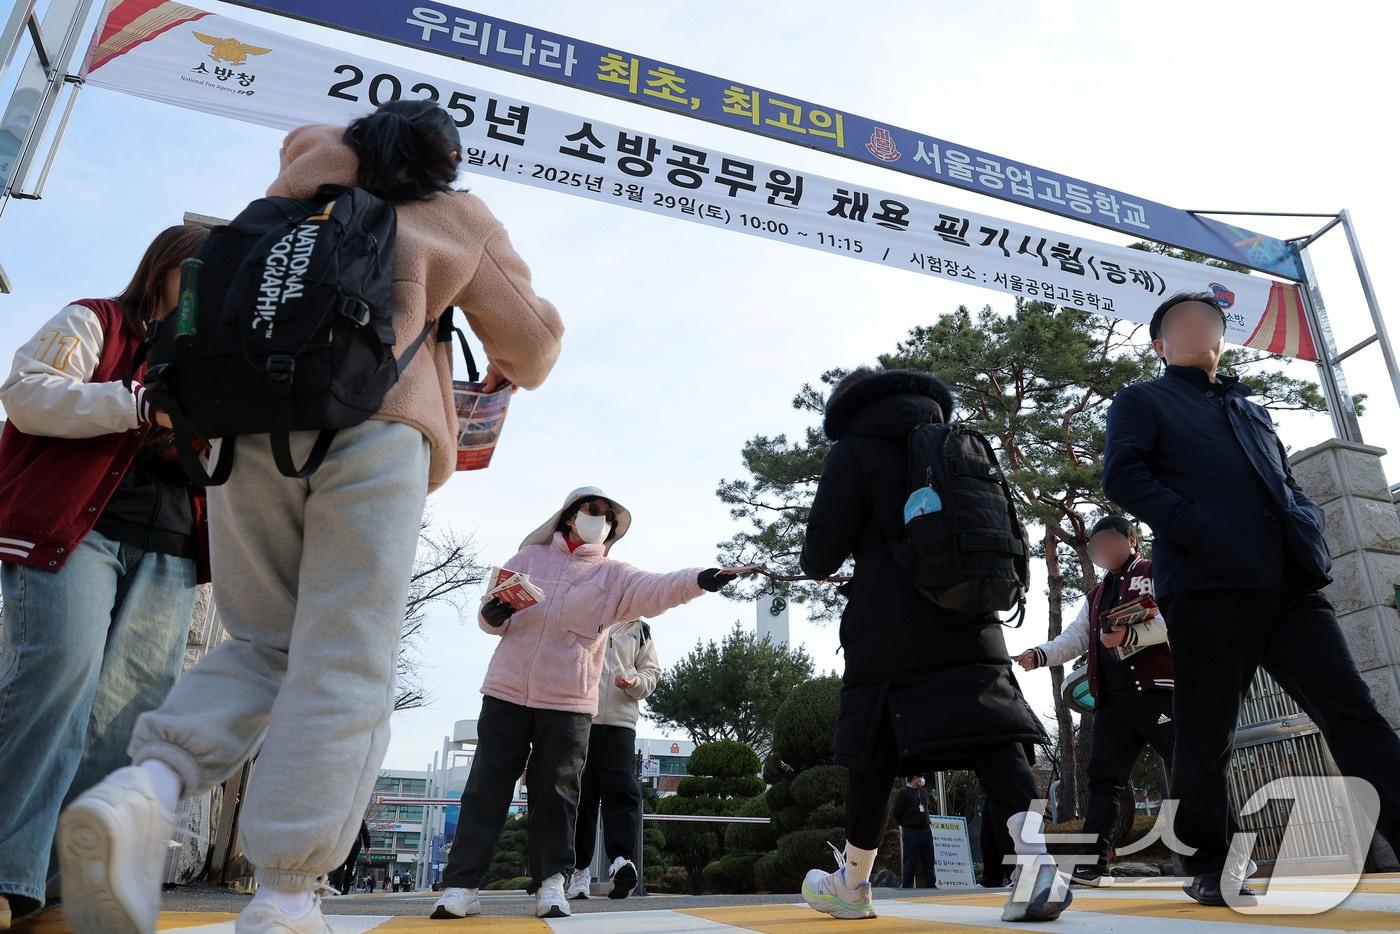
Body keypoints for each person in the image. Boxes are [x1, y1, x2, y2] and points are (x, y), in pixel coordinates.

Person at [58, 99, 564, 934]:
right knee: (343, 652)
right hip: (376, 430)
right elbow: (534, 349)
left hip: (241, 430)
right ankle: (287, 893)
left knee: (261, 641)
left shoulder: (290, 193)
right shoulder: (458, 216)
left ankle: (143, 788)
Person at [1102, 291, 1400, 907]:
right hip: (1207, 588)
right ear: (1161, 345)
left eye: (1209, 320)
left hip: (1288, 589)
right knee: (1207, 733)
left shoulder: (1248, 407)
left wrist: (1305, 520)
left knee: (1354, 713)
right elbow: (1123, 475)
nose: (1200, 327)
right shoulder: (1143, 399)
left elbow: (1283, 481)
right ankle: (1211, 860)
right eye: (1182, 322)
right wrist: (1194, 526)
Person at [796, 367, 1070, 923]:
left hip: (889, 623)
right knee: (993, 734)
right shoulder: (952, 442)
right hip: (971, 610)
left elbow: (819, 556)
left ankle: (851, 884)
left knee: (873, 747)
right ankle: (1039, 865)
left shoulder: (853, 449)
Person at [0, 224, 210, 930]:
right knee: (56, 682)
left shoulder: (223, 356)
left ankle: (58, 893)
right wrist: (137, 401)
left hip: (174, 546)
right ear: (168, 268)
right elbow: (26, 393)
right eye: (205, 271)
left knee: (125, 717)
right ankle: (6, 873)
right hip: (75, 533)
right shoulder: (98, 320)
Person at [432, 487, 751, 921]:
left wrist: (701, 578)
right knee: (485, 789)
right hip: (507, 691)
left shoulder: (614, 575)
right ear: (568, 516)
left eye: (608, 517)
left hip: (568, 700)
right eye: (593, 510)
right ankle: (461, 886)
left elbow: (658, 588)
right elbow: (490, 618)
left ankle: (552, 885)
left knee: (558, 795)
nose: (601, 519)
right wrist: (491, 616)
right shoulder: (528, 560)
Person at [1016, 515, 1173, 886]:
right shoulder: (1096, 595)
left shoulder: (1155, 570)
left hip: (1157, 691)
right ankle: (1092, 864)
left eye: (1109, 541)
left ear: (1131, 540)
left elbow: (1176, 616)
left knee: (1191, 767)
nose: (1102, 550)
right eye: (1096, 545)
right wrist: (1039, 654)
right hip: (1113, 701)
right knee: (1102, 779)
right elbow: (1074, 638)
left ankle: (1226, 853)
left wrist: (1131, 637)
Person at [566, 617, 662, 900]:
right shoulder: (582, 614)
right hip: (581, 717)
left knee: (621, 794)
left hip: (621, 723)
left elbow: (652, 672)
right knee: (579, 798)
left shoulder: (639, 629)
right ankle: (579, 870)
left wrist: (633, 682)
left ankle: (621, 862)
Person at [891, 775, 936, 889]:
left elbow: (927, 807)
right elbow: (897, 813)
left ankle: (931, 884)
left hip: (925, 829)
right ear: (914, 778)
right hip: (911, 830)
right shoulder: (904, 793)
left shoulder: (923, 791)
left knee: (929, 858)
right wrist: (905, 825)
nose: (922, 779)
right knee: (910, 860)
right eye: (920, 777)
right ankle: (907, 886)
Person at [328, 822, 371, 896]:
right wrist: (367, 847)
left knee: (340, 867)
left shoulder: (342, 814)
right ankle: (346, 890)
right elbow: (365, 834)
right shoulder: (359, 818)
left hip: (341, 844)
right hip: (355, 846)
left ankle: (337, 889)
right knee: (350, 868)